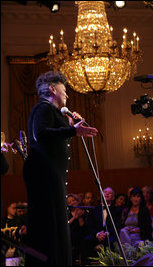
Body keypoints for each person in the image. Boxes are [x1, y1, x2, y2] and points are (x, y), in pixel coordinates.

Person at [23, 71, 98, 266]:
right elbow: (41, 134)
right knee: (50, 225)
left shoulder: (52, 112)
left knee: (56, 224)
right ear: (52, 89)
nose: (67, 95)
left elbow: (53, 134)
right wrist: (73, 130)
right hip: (44, 176)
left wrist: (72, 126)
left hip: (49, 175)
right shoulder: (43, 108)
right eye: (64, 90)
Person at [82, 187, 122, 264]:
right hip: (96, 235)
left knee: (112, 242)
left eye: (110, 193)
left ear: (113, 197)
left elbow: (117, 225)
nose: (107, 194)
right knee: (85, 241)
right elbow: (90, 225)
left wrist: (106, 233)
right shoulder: (94, 210)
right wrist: (97, 234)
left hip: (109, 235)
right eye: (105, 192)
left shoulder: (117, 210)